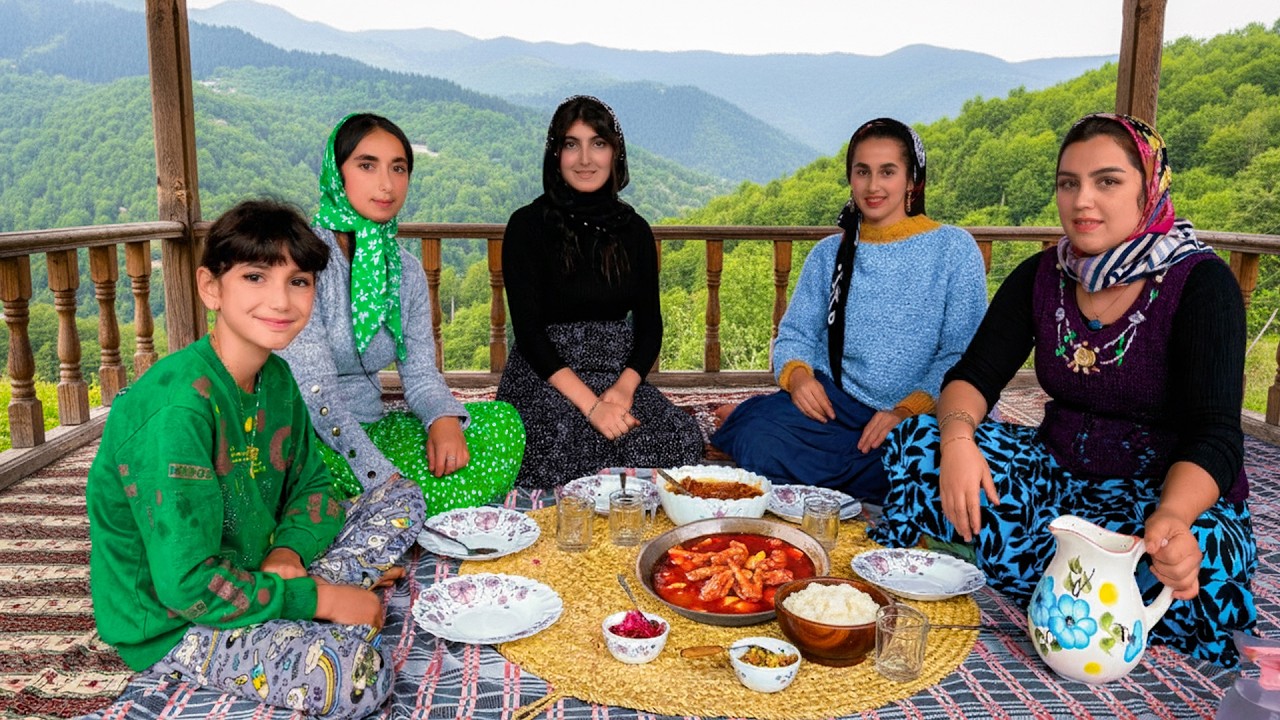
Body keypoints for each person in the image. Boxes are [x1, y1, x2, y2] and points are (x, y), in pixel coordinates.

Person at [868, 113, 1256, 667]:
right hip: (1057, 475)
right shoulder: (1043, 274)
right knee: (917, 443)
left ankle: (1034, 574)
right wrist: (957, 442)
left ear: (1149, 187)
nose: (1082, 201)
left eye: (1107, 181)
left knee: (1201, 560)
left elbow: (1215, 436)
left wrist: (1172, 517)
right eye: (1068, 183)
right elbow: (972, 376)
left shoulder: (1200, 284)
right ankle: (1075, 590)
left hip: (1159, 496)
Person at [87, 199, 426, 717]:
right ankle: (306, 601)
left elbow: (315, 486)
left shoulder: (277, 378)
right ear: (210, 288)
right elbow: (186, 586)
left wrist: (288, 556)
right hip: (178, 618)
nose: (281, 300)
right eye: (254, 277)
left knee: (401, 497)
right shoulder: (179, 408)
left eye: (298, 281)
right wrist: (322, 600)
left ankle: (297, 587)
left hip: (257, 566)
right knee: (358, 678)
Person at [710, 118, 987, 503]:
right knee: (761, 439)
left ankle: (766, 436)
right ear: (851, 179)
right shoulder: (829, 254)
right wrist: (799, 378)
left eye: (887, 172)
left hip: (918, 413)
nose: (873, 186)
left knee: (933, 461)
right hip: (835, 406)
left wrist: (907, 410)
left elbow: (963, 353)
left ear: (912, 180)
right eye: (863, 172)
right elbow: (796, 335)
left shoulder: (954, 250)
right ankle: (761, 426)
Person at [278, 113, 525, 515]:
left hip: (375, 426)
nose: (386, 184)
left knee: (502, 425)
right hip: (311, 435)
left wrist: (442, 419)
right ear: (336, 173)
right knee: (300, 477)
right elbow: (314, 395)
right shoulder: (303, 262)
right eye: (366, 165)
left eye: (399, 168)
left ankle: (385, 511)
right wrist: (380, 475)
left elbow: (422, 374)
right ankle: (386, 507)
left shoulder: (405, 271)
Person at [496, 95, 703, 487]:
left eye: (598, 144)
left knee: (680, 439)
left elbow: (649, 327)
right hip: (548, 374)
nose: (585, 159)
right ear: (556, 154)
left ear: (615, 154)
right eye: (572, 144)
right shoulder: (526, 226)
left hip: (614, 372)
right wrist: (591, 408)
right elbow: (529, 333)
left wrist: (623, 392)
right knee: (561, 444)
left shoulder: (634, 230)